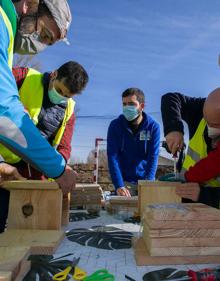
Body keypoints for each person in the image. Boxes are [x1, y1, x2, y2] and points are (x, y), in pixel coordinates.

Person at [0, 0, 75, 233]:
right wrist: (58, 169)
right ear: (30, 3)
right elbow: (5, 115)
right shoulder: (3, 22)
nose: (38, 42)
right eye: (43, 33)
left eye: (46, 42)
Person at [7, 61, 88, 178]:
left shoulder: (69, 111)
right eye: (59, 90)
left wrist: (61, 168)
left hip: (37, 175)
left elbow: (64, 148)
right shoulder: (24, 76)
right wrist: (16, 108)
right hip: (5, 163)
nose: (61, 97)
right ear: (54, 74)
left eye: (67, 96)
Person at [161, 89, 220, 208]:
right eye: (207, 122)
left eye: (214, 125)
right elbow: (171, 98)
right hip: (187, 210)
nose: (209, 128)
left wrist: (203, 194)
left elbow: (213, 163)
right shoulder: (208, 106)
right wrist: (173, 128)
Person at [107, 88, 160, 197]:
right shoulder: (115, 126)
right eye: (124, 104)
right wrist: (119, 185)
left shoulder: (153, 127)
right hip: (124, 182)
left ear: (142, 106)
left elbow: (153, 157)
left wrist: (147, 184)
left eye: (131, 104)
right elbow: (112, 157)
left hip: (146, 180)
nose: (127, 108)